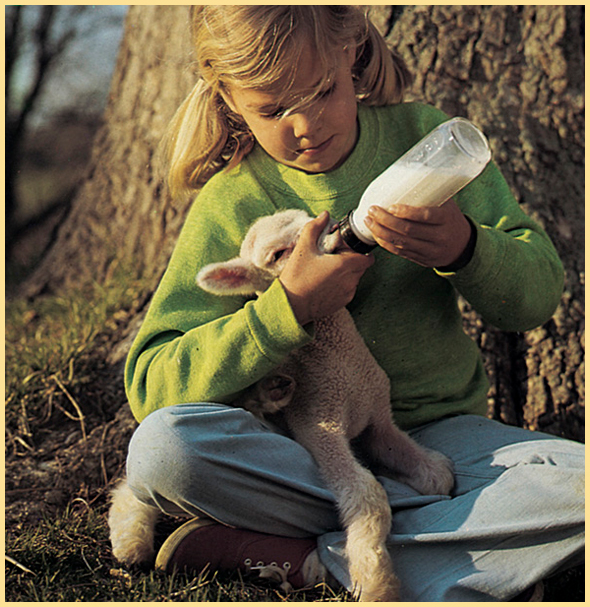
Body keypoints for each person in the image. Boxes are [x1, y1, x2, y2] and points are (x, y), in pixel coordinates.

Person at [123, 6, 584, 601]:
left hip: (442, 439)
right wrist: (284, 309)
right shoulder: (233, 200)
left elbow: (538, 297)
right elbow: (153, 385)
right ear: (229, 99)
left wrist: (466, 245)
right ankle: (461, 544)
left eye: (322, 92)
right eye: (273, 109)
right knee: (165, 451)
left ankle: (313, 559)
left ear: (352, 52)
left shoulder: (426, 143)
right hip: (297, 453)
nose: (307, 124)